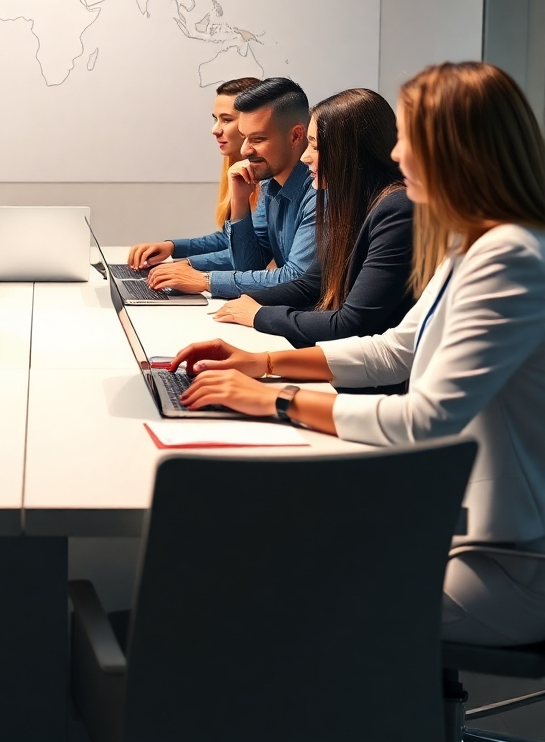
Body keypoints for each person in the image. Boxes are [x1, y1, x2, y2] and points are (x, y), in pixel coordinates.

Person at [170, 61, 545, 647]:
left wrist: (278, 401)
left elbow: (424, 419)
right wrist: (260, 364)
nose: (395, 156)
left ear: (456, 151)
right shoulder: (472, 245)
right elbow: (395, 350)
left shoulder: (510, 257)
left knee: (272, 591)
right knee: (275, 546)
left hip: (507, 565)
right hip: (455, 527)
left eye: (409, 142)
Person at [212, 88, 414, 348]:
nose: (305, 157)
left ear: (352, 152)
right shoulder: (355, 202)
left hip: (370, 373)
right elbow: (310, 283)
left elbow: (352, 322)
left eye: (316, 147)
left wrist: (259, 315)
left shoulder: (396, 209)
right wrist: (243, 300)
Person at [136, 77, 318, 299]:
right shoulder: (271, 182)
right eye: (244, 137)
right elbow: (250, 264)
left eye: (257, 139)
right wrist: (240, 202)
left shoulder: (319, 191)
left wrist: (204, 279)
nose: (245, 149)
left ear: (296, 136)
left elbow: (296, 278)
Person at [127, 76, 261, 273]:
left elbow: (252, 254)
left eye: (227, 119)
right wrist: (173, 247)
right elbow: (229, 238)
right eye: (215, 119)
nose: (215, 130)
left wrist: (185, 265)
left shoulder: (269, 179)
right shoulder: (236, 169)